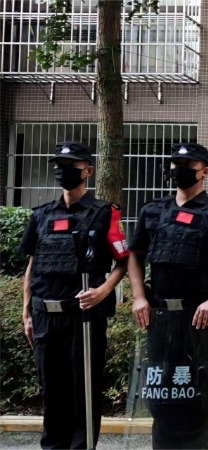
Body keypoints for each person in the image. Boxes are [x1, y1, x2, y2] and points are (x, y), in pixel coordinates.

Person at [128, 143, 208, 448]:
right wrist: (139, 297)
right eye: (175, 165)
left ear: (204, 171)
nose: (179, 171)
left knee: (196, 388)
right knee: (160, 387)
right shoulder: (152, 210)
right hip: (159, 315)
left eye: (188, 166)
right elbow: (135, 255)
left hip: (199, 316)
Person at [20, 142, 130, 449]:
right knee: (51, 390)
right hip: (45, 316)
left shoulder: (105, 213)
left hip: (83, 317)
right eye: (59, 166)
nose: (63, 171)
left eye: (71, 166)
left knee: (84, 389)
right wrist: (26, 312)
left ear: (88, 171)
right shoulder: (42, 215)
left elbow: (123, 261)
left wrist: (103, 291)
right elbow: (32, 265)